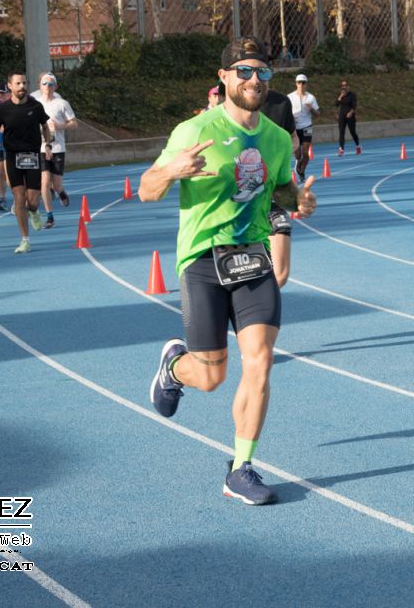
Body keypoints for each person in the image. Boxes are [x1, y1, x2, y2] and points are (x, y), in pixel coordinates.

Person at [141, 39, 316, 506]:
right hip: (202, 259)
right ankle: (176, 368)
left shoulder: (278, 140)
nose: (254, 80)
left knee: (259, 361)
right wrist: (172, 170)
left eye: (262, 73)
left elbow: (281, 191)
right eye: (243, 71)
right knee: (212, 375)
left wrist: (299, 202)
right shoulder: (193, 130)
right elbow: (146, 190)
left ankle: (241, 468)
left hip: (252, 258)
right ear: (224, 77)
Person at [0, 72, 54, 254]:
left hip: (33, 156)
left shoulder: (36, 106)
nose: (22, 87)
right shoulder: (3, 109)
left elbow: (45, 127)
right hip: (12, 157)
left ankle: (34, 211)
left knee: (32, 200)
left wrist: (47, 144)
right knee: (19, 197)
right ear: (10, 86)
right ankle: (25, 240)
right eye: (18, 83)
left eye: (24, 83)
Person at [260, 84, 297, 288]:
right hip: (239, 204)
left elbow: (294, 139)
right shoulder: (227, 108)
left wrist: (283, 152)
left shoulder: (281, 103)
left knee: (280, 274)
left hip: (273, 195)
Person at [36, 72, 77, 229]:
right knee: (45, 182)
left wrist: (60, 126)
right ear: (40, 86)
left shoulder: (62, 103)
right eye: (45, 84)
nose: (48, 87)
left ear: (55, 86)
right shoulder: (36, 104)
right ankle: (50, 216)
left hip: (58, 148)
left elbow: (74, 123)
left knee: (57, 184)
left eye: (51, 84)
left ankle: (60, 192)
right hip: (41, 148)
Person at [288, 74, 320, 178]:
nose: (301, 84)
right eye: (299, 82)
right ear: (296, 83)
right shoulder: (290, 97)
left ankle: (302, 171)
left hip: (307, 127)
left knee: (306, 152)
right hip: (294, 128)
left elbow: (318, 114)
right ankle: (298, 162)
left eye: (303, 82)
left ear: (306, 84)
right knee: (297, 153)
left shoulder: (311, 98)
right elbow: (285, 112)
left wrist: (311, 109)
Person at [335, 79, 360, 155]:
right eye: (343, 85)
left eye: (345, 85)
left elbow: (354, 105)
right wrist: (340, 96)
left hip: (350, 116)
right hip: (342, 116)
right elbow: (336, 104)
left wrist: (351, 112)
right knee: (341, 132)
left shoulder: (352, 95)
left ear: (348, 86)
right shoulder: (340, 94)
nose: (344, 87)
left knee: (353, 132)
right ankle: (341, 149)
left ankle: (358, 146)